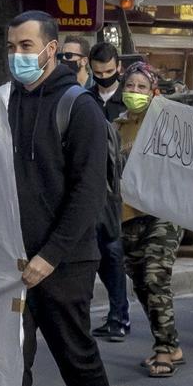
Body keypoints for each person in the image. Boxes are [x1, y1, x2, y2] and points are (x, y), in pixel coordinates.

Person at [0, 11, 122, 386]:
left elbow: (87, 195)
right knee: (12, 361)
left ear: (52, 49)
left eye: (27, 45)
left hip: (65, 260)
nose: (18, 54)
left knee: (74, 353)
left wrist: (52, 255)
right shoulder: (3, 104)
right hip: (10, 260)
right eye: (12, 45)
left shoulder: (79, 108)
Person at [114, 65, 183, 378]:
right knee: (141, 282)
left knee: (155, 276)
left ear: (153, 91)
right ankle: (171, 342)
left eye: (142, 86)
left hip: (162, 213)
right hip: (127, 215)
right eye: (130, 85)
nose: (135, 91)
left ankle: (164, 349)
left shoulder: (167, 121)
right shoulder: (116, 128)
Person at [82, 40, 130, 343]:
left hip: (120, 190)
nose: (104, 77)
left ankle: (119, 316)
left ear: (119, 69)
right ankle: (114, 314)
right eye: (98, 73)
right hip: (91, 187)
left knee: (113, 254)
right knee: (96, 256)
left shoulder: (130, 99)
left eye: (109, 72)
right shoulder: (85, 100)